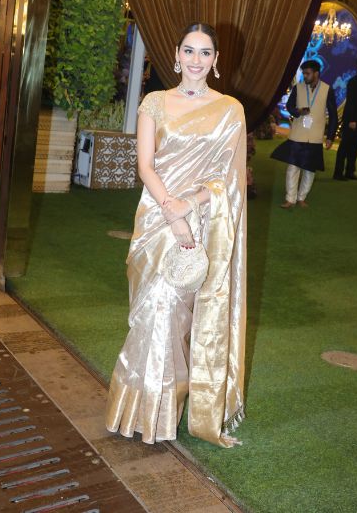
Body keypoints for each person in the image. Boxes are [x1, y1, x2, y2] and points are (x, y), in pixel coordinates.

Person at [105, 22, 247, 448]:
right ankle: (135, 412)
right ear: (176, 54)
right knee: (149, 313)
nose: (195, 60)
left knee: (171, 314)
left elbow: (231, 178)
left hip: (200, 219)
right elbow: (145, 165)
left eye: (205, 52)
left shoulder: (230, 110)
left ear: (216, 60)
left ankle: (158, 416)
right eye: (189, 50)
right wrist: (172, 211)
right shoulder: (155, 102)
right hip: (156, 218)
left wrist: (190, 205)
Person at [270, 60, 337, 208]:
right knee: (293, 167)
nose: (304, 76)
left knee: (309, 169)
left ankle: (301, 197)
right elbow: (289, 106)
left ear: (316, 73)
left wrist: (330, 137)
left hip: (315, 136)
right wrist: (298, 112)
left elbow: (333, 115)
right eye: (304, 73)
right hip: (297, 134)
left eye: (307, 73)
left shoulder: (327, 89)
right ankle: (290, 198)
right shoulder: (298, 87)